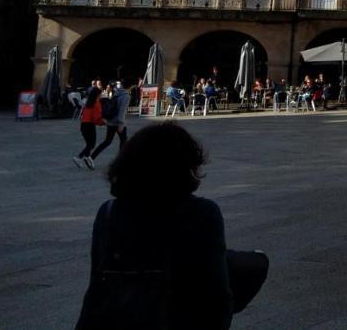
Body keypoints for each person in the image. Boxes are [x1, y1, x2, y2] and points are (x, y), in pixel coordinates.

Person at [75, 123, 246, 328]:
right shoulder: (202, 213)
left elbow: (98, 284)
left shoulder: (109, 212)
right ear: (182, 169)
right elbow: (216, 296)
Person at [91, 81, 131, 161]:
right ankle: (121, 160)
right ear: (131, 86)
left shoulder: (117, 92)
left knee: (107, 141)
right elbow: (122, 111)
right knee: (123, 141)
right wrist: (121, 123)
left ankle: (91, 157)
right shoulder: (126, 96)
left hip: (111, 120)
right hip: (118, 122)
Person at [74, 80, 105, 170]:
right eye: (100, 95)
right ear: (97, 95)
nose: (101, 96)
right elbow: (96, 118)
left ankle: (88, 161)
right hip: (90, 126)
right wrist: (103, 123)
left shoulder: (88, 103)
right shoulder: (97, 104)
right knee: (91, 145)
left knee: (89, 144)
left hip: (83, 125)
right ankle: (79, 158)